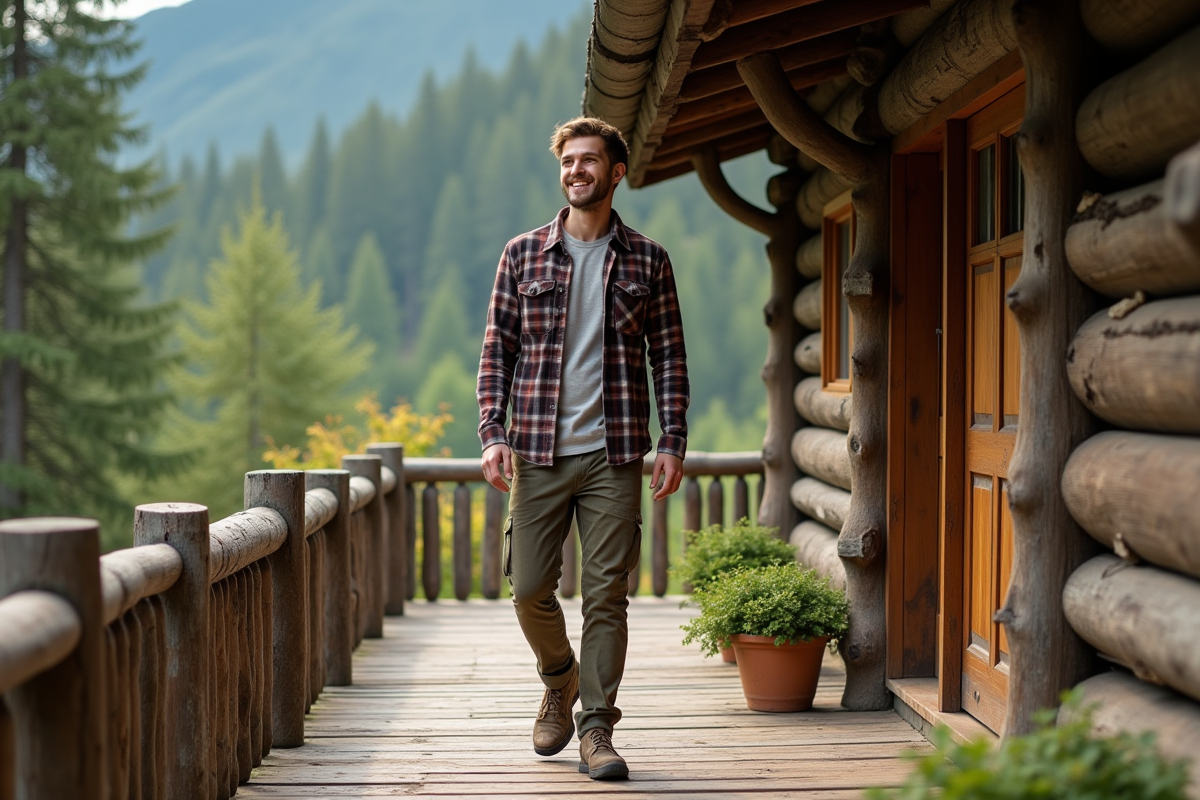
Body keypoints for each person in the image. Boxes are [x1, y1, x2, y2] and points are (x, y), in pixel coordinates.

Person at [476, 117, 689, 780]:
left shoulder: (649, 260)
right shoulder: (522, 255)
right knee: (530, 587)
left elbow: (670, 359)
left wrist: (673, 440)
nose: (576, 171)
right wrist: (493, 431)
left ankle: (597, 728)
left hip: (614, 452)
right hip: (537, 452)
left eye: (589, 161)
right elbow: (496, 352)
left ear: (615, 172)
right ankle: (560, 679)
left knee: (606, 596)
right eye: (568, 161)